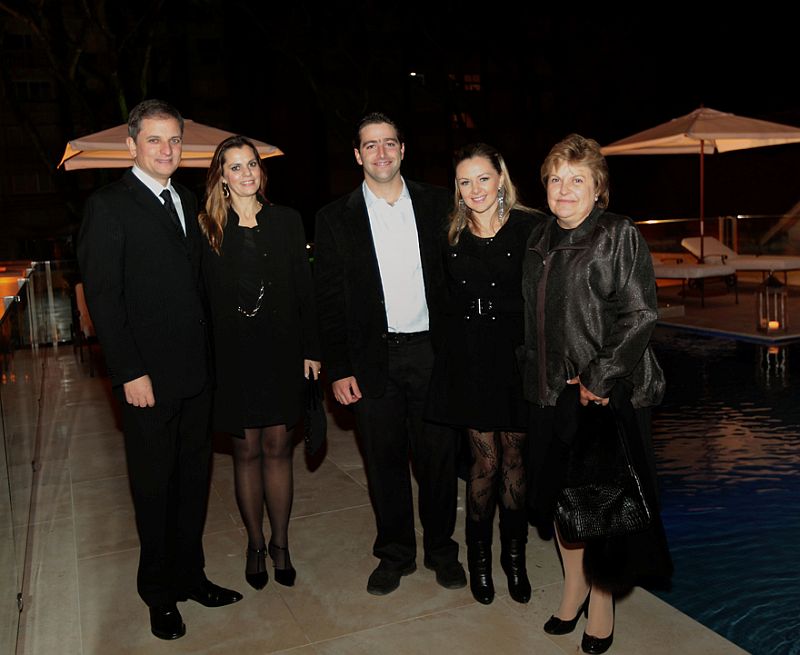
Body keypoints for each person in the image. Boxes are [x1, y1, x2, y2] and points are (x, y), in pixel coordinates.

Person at [77, 99, 242, 641]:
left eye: (174, 140)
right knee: (154, 487)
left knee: (194, 483)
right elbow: (105, 298)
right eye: (155, 140)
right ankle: (158, 593)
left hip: (195, 375)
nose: (167, 149)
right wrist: (128, 371)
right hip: (146, 379)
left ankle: (191, 577)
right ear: (131, 146)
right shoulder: (109, 206)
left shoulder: (187, 198)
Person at [519, 134, 671, 654]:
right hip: (549, 392)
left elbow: (640, 313)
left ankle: (601, 601)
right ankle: (573, 586)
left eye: (576, 179)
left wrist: (599, 379)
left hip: (602, 395)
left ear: (598, 187)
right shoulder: (538, 238)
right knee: (561, 499)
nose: (564, 189)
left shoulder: (616, 234)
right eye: (556, 178)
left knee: (601, 506)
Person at [314, 112, 466, 596]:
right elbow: (329, 302)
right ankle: (395, 554)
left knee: (439, 460)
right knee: (383, 463)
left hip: (431, 354)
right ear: (357, 155)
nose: (381, 153)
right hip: (372, 360)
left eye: (389, 144)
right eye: (370, 146)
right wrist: (338, 369)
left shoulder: (440, 205)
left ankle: (442, 550)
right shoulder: (334, 218)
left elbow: (459, 283)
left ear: (403, 150)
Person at [198, 135, 321, 591]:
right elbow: (198, 301)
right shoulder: (206, 227)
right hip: (232, 357)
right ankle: (254, 543)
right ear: (222, 178)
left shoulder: (287, 222)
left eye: (252, 165)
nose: (247, 173)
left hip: (283, 351)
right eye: (236, 167)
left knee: (278, 449)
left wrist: (312, 348)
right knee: (246, 451)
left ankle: (281, 544)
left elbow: (305, 290)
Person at [426, 143, 543, 605]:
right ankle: (479, 561)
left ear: (501, 179)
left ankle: (514, 561)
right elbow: (440, 303)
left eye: (482, 178)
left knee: (515, 462)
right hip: (470, 361)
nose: (474, 189)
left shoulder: (532, 228)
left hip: (516, 360)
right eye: (464, 181)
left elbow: (542, 296)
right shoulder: (448, 235)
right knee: (485, 463)